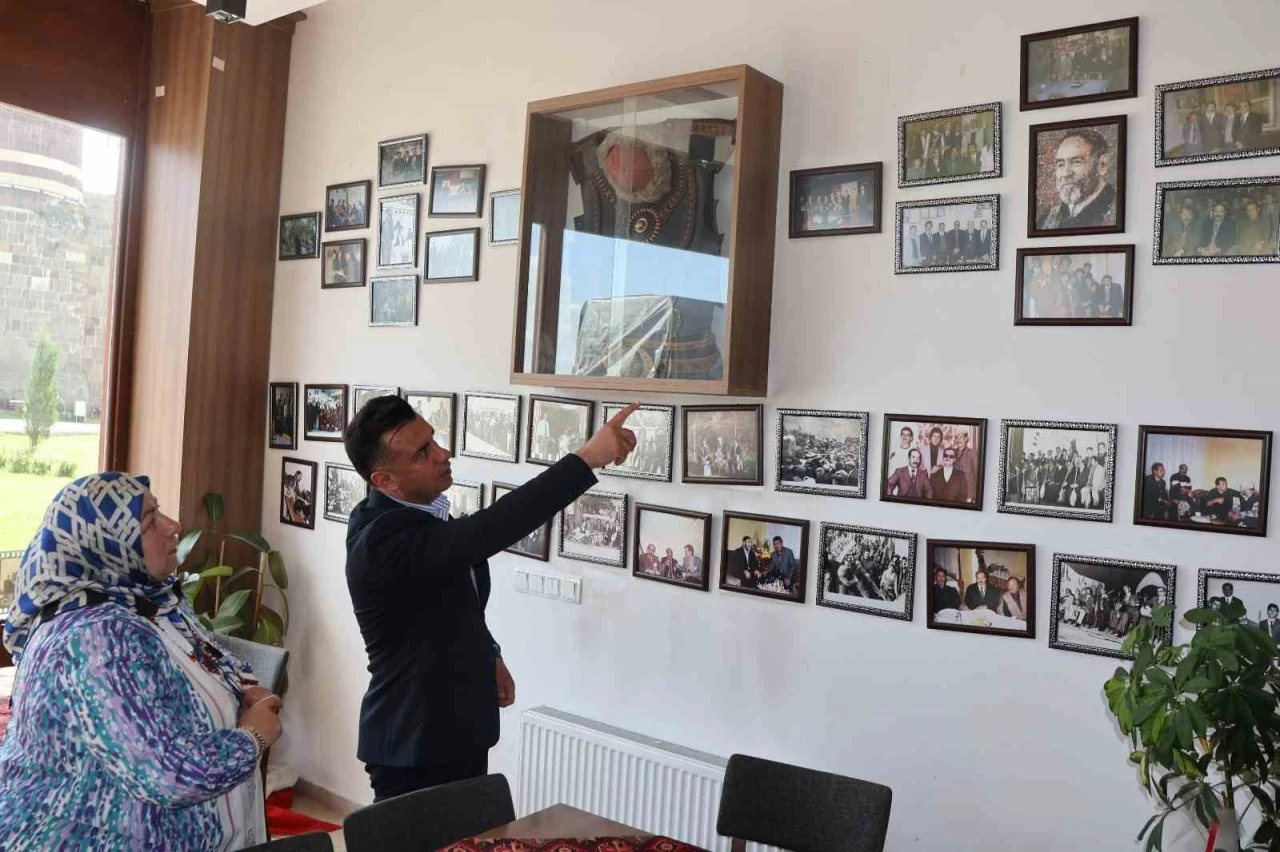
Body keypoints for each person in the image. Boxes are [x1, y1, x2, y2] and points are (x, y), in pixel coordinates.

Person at [343, 396, 637, 801]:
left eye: (433, 440)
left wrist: (490, 653)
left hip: (455, 729)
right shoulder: (382, 540)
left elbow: (448, 602)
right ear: (385, 481)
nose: (443, 454)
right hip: (414, 742)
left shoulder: (421, 516)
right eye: (422, 452)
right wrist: (585, 459)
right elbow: (492, 528)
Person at [0, 474, 283, 851]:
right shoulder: (95, 639)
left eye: (159, 511)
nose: (173, 526)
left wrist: (242, 688)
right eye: (150, 521)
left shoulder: (149, 601)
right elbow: (166, 776)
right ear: (107, 545)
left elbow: (203, 660)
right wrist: (252, 738)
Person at [1038, 129, 1117, 231]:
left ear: (1102, 165)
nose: (1065, 173)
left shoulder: (1117, 211)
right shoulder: (1045, 221)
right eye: (1060, 164)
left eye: (1076, 162)